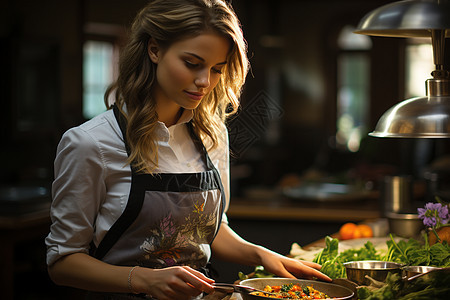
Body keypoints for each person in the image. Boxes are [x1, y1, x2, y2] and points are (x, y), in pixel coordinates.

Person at [45, 0, 331, 299]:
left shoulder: (212, 134)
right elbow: (62, 263)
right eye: (192, 64)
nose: (205, 82)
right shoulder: (90, 143)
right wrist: (144, 280)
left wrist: (260, 255)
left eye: (217, 69)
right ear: (154, 50)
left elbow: (211, 229)